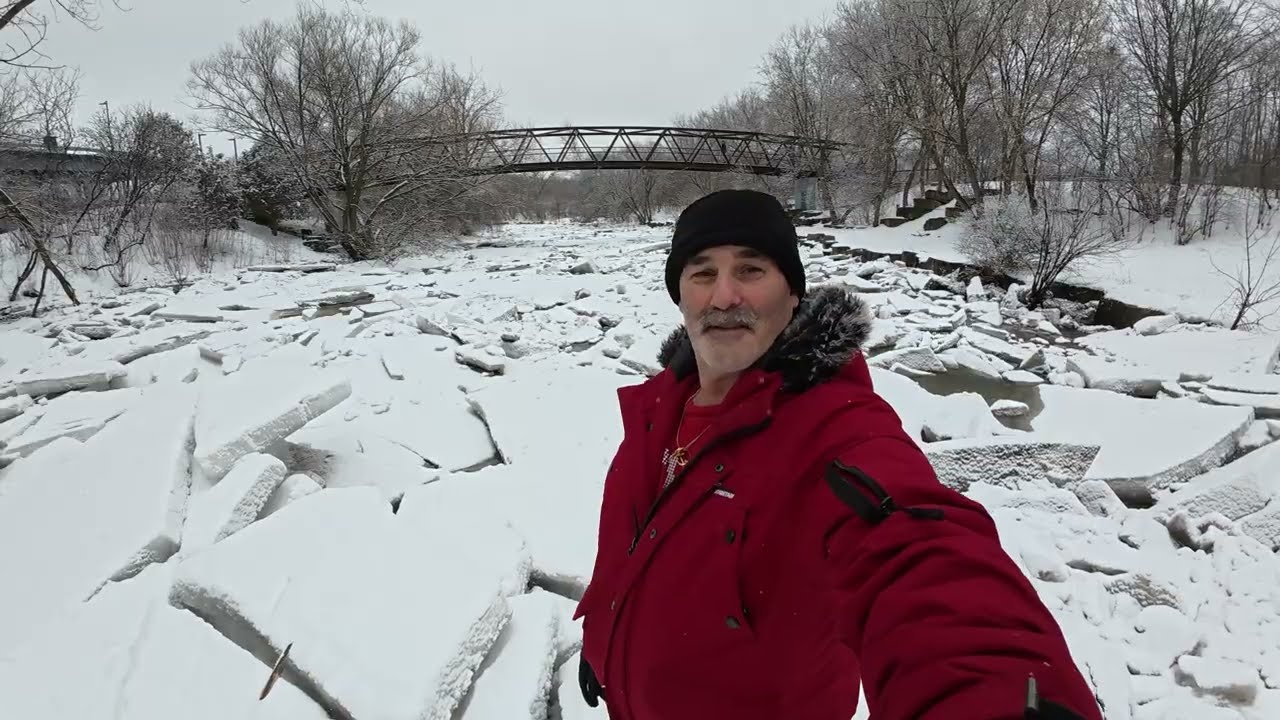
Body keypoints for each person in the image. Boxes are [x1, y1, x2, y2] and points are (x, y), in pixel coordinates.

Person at [572, 189, 1102, 720]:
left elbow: (919, 552)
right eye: (702, 273)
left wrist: (998, 696)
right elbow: (633, 543)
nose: (724, 296)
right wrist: (607, 638)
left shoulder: (836, 428)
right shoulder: (658, 408)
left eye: (752, 270)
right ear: (680, 294)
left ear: (793, 294)